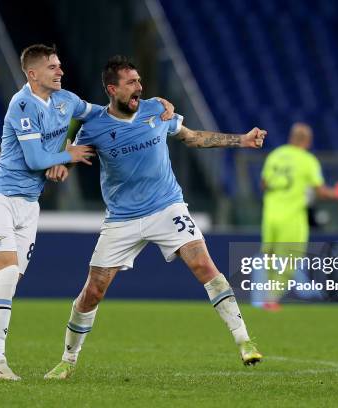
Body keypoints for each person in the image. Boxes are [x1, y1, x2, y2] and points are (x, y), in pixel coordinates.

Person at [0, 45, 174, 380]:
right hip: (0, 196)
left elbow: (106, 111)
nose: (60, 71)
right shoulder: (22, 104)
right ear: (33, 74)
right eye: (53, 67)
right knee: (7, 276)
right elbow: (34, 160)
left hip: (30, 204)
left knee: (5, 285)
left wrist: (153, 105)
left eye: (59, 66)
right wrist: (64, 155)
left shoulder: (67, 100)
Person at [44, 56, 267, 380]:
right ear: (112, 89)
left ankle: (244, 340)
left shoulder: (156, 110)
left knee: (205, 266)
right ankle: (68, 359)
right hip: (123, 218)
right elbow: (74, 158)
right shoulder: (94, 127)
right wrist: (61, 165)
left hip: (167, 207)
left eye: (139, 81)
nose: (139, 87)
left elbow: (191, 137)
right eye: (131, 83)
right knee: (93, 291)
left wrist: (240, 140)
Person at [258, 123, 338, 310]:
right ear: (307, 140)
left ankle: (267, 295)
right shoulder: (307, 160)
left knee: (271, 257)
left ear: (291, 137)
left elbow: (264, 184)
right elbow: (321, 192)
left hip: (270, 215)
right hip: (292, 217)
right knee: (290, 259)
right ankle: (271, 299)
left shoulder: (275, 155)